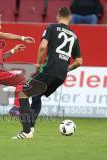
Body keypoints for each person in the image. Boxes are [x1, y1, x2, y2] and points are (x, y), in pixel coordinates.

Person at [12, 7, 83, 139]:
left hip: (49, 70)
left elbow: (43, 46)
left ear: (58, 16)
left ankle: (26, 131)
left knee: (22, 93)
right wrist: (66, 69)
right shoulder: (74, 35)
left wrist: (38, 64)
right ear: (70, 17)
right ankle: (31, 129)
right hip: (61, 76)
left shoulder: (51, 27)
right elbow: (79, 61)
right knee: (36, 96)